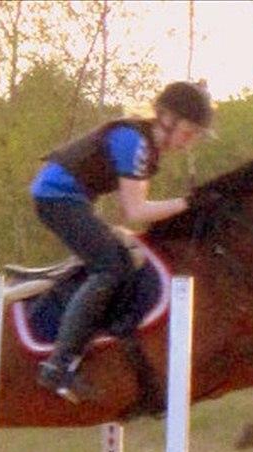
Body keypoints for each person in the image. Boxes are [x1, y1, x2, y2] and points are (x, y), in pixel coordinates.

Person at [30, 81, 213, 403]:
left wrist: (186, 204)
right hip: (56, 197)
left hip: (70, 198)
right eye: (190, 132)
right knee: (111, 267)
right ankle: (58, 365)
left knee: (123, 261)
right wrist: (189, 204)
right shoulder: (135, 143)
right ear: (167, 119)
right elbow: (136, 212)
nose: (190, 142)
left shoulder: (142, 144)